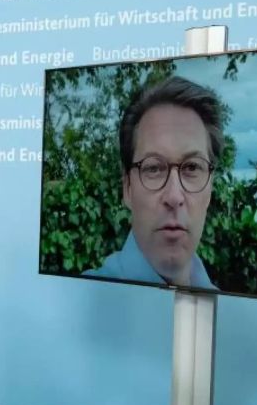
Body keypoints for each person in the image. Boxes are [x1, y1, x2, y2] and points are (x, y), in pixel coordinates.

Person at [84, 76, 223, 290]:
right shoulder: (83, 295)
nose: (174, 196)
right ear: (127, 187)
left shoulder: (223, 311)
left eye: (192, 168)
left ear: (210, 188)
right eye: (153, 168)